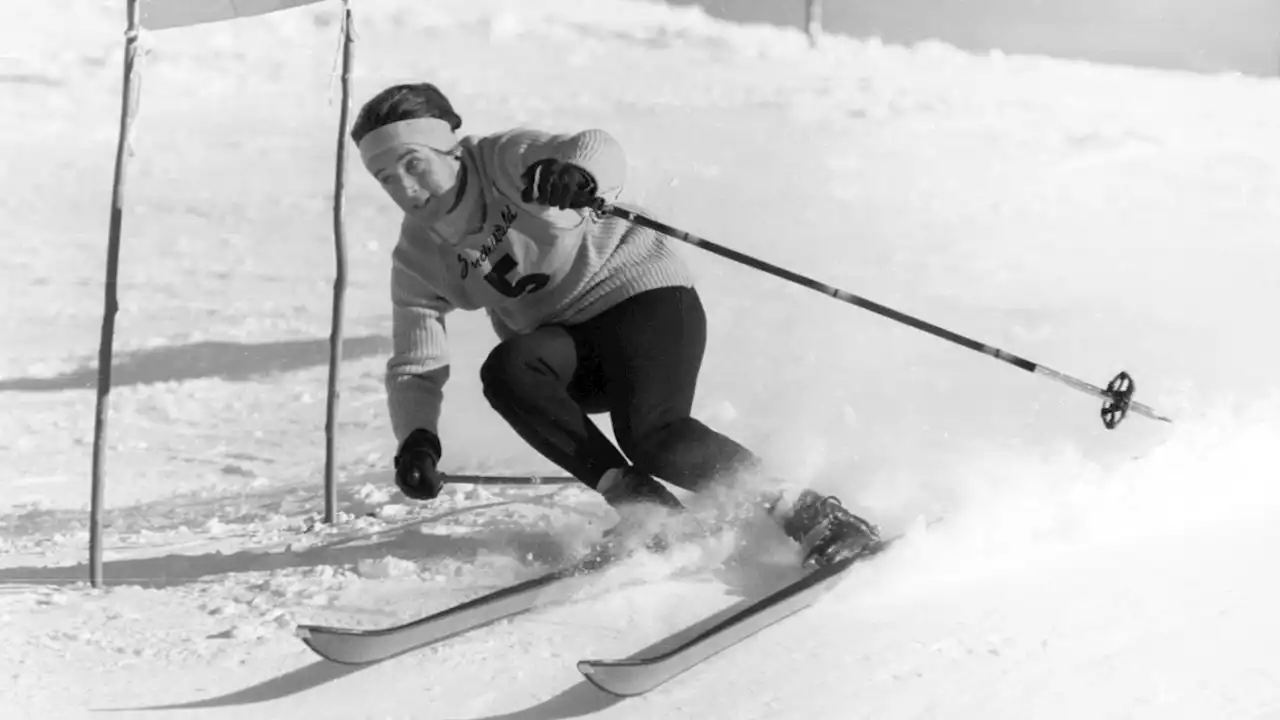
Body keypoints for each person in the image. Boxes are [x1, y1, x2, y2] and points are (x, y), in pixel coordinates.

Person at [350, 81, 879, 568]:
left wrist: (577, 175)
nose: (405, 188)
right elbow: (417, 364)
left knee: (655, 438)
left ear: (450, 147)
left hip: (641, 298)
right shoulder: (418, 255)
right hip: (574, 348)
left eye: (413, 164)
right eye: (385, 177)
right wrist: (417, 440)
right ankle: (648, 509)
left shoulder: (502, 160)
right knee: (509, 370)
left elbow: (597, 146)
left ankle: (811, 514)